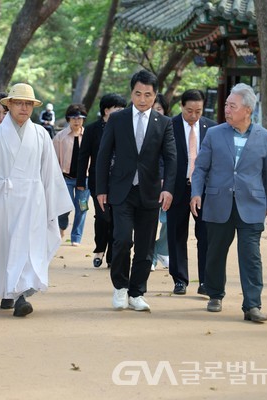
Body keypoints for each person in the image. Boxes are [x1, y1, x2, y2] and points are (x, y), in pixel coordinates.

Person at [0, 83, 73, 317]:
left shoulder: (40, 135)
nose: (24, 108)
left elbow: (49, 173)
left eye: (28, 103)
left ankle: (21, 295)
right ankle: (10, 292)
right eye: (19, 103)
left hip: (33, 200)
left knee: (28, 247)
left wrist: (53, 209)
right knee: (6, 247)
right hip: (3, 200)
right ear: (9, 105)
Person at [190, 83, 267, 323]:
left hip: (252, 205)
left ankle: (252, 305)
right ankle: (215, 294)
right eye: (226, 105)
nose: (226, 110)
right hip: (218, 203)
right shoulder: (215, 134)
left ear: (247, 110)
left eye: (232, 106)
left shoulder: (266, 138)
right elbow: (201, 169)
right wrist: (196, 193)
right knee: (215, 252)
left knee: (250, 256)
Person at [96, 69, 177, 312]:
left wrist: (169, 189)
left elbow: (171, 159)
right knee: (121, 239)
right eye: (138, 94)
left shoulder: (163, 123)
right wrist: (101, 188)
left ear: (155, 96)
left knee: (145, 246)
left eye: (148, 95)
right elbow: (103, 154)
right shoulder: (117, 119)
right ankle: (120, 287)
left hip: (150, 193)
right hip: (121, 191)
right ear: (131, 93)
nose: (142, 100)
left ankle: (136, 292)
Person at [167, 89, 216, 295]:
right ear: (181, 107)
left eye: (198, 111)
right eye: (189, 111)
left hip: (203, 190)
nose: (194, 116)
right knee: (177, 234)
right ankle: (180, 280)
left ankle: (205, 281)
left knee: (205, 235)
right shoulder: (169, 126)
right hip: (177, 188)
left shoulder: (212, 128)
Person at [77, 93, 127, 268]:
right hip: (98, 181)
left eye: (123, 109)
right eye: (118, 109)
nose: (122, 112)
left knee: (116, 218)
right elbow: (83, 156)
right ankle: (100, 248)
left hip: (119, 180)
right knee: (103, 217)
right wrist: (81, 182)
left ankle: (112, 256)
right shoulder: (92, 129)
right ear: (107, 110)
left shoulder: (125, 128)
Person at [53, 103, 90, 246]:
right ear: (68, 119)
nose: (76, 121)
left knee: (82, 208)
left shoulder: (88, 135)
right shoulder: (60, 137)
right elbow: (54, 160)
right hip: (65, 179)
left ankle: (76, 237)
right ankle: (62, 226)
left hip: (84, 180)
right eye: (73, 118)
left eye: (80, 118)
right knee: (64, 207)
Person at [150, 94, 171, 271]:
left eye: (159, 109)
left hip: (167, 183)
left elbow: (171, 156)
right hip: (147, 182)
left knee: (168, 220)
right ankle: (151, 256)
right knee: (148, 222)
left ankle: (161, 249)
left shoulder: (168, 127)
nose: (155, 112)